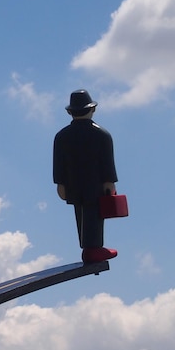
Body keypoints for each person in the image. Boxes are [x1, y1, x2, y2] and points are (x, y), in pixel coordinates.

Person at [53, 89, 118, 263]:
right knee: (95, 215)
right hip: (95, 185)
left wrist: (60, 183)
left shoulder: (62, 136)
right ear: (93, 109)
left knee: (81, 213)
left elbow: (58, 163)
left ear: (70, 112)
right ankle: (93, 248)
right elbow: (107, 162)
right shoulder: (102, 135)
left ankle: (88, 246)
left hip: (74, 185)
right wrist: (109, 182)